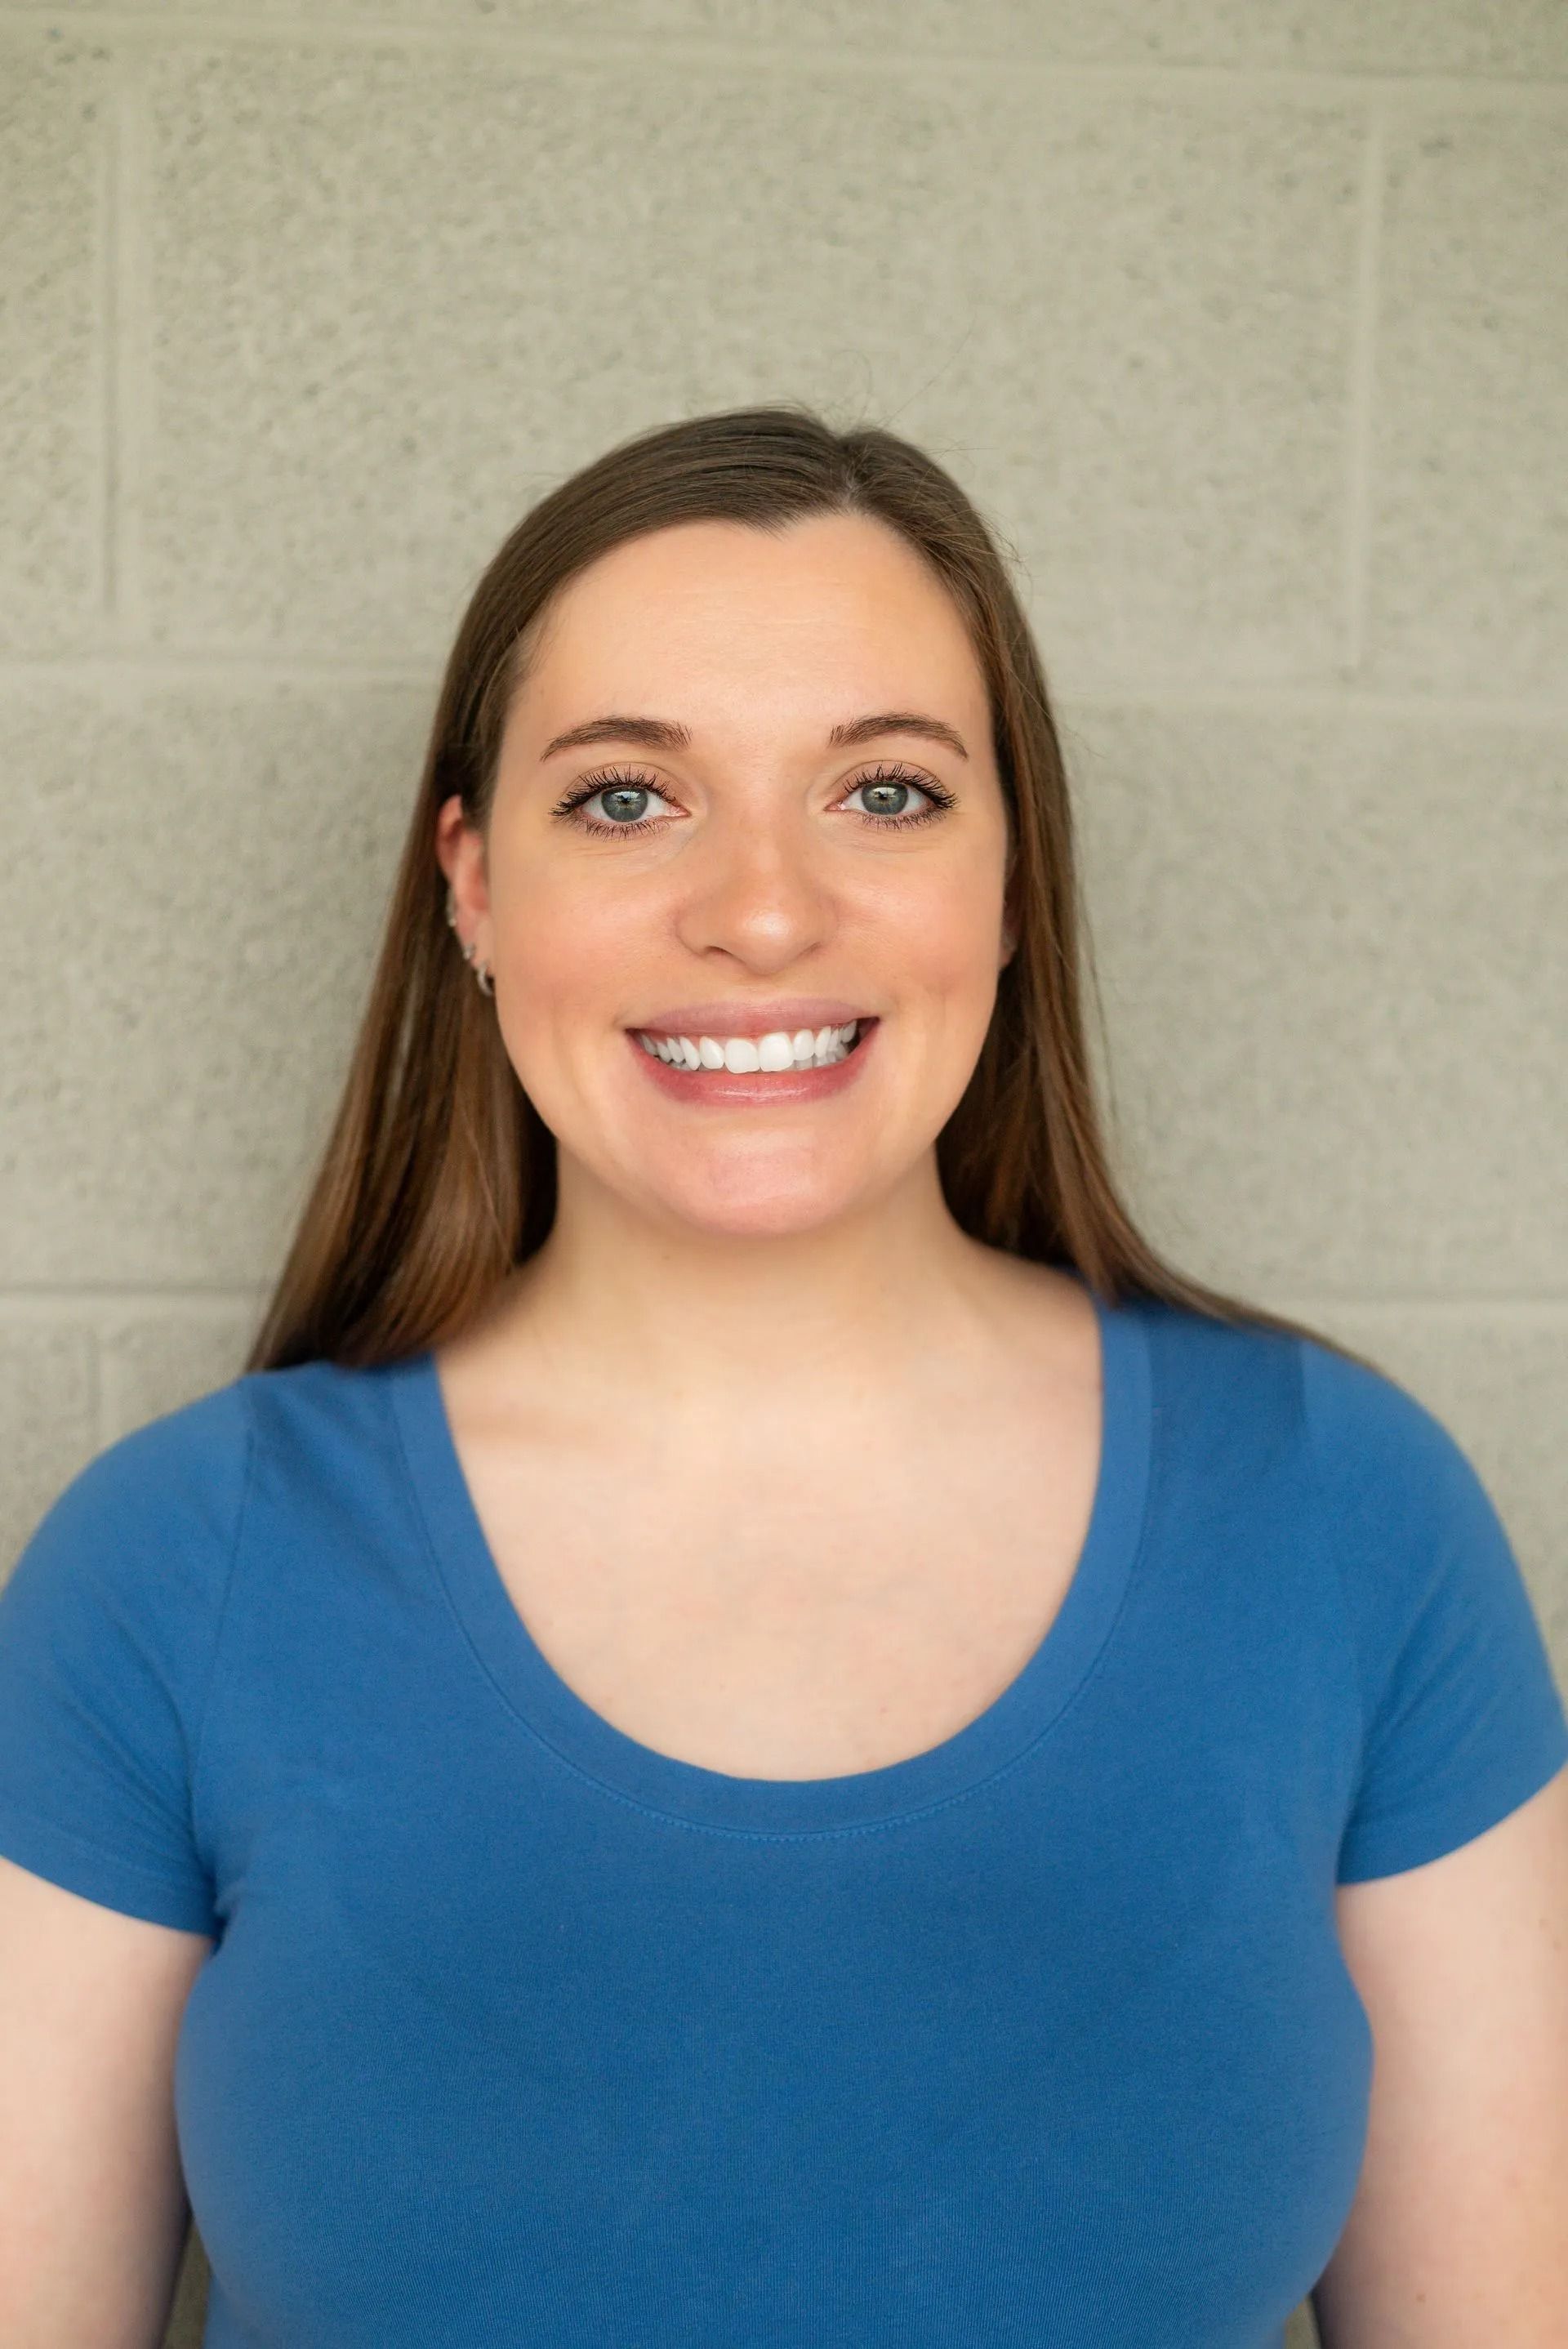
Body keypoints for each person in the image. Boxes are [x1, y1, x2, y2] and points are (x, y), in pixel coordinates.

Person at [2, 403, 1566, 2349]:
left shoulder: (1348, 1517)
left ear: (1013, 881)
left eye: (886, 794)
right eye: (628, 798)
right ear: (474, 890)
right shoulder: (172, 1565)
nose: (760, 910)